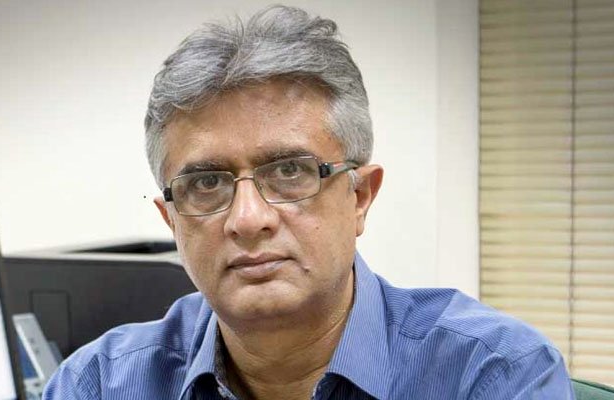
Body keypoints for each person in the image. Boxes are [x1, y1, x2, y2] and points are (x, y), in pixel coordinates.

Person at [43, 5, 574, 399]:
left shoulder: (493, 375)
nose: (248, 219)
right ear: (172, 221)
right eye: (206, 184)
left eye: (289, 172)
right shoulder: (97, 384)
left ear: (360, 197)